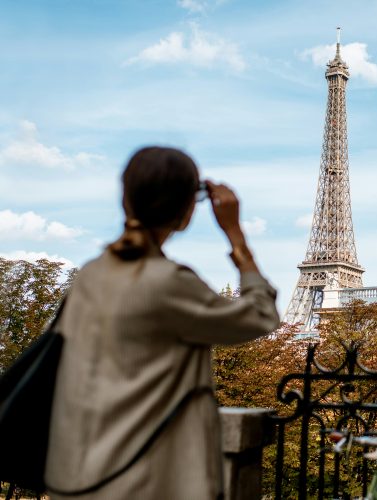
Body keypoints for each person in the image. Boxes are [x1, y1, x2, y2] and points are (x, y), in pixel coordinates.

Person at [45, 146, 280, 499]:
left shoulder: (91, 276)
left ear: (125, 201)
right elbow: (262, 315)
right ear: (187, 212)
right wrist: (236, 236)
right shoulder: (169, 283)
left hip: (76, 477)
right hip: (144, 480)